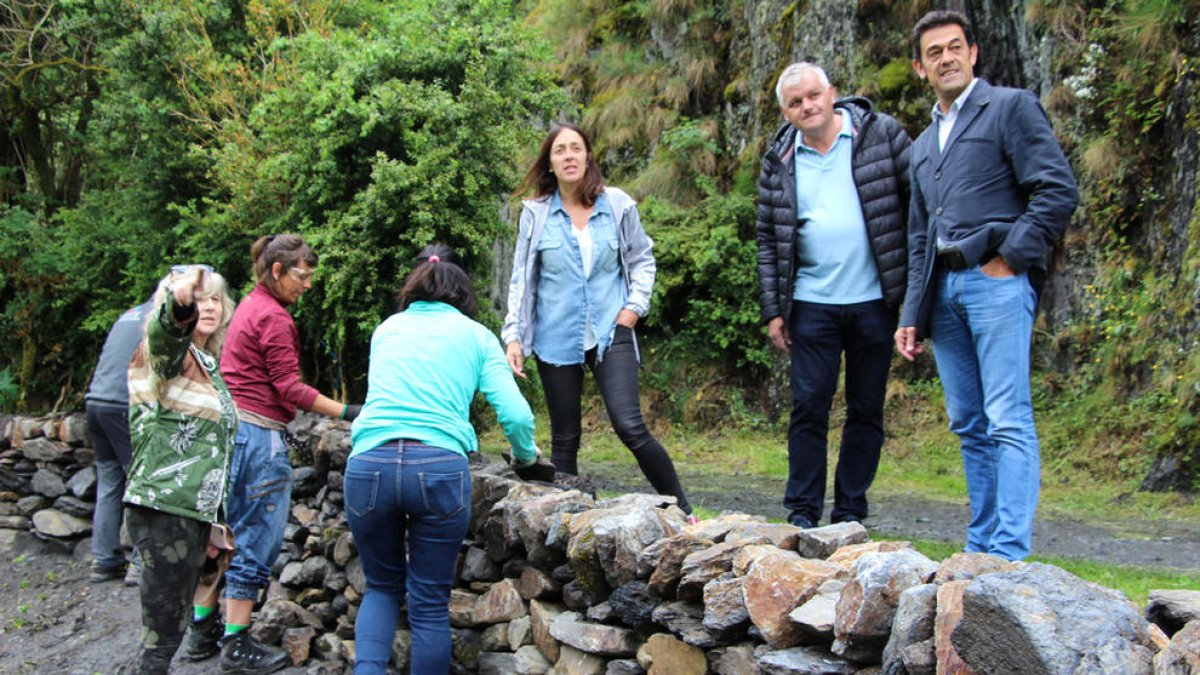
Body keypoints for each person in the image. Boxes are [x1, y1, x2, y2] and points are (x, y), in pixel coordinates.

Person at [895, 10, 1079, 561]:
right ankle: (980, 548)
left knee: (1007, 417)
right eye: (934, 52)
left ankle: (1008, 554)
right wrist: (911, 312)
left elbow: (1056, 189)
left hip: (995, 283)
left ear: (973, 53)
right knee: (970, 423)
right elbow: (918, 235)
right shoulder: (922, 145)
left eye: (955, 47)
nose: (946, 57)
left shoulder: (1009, 107)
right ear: (919, 67)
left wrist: (1011, 259)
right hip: (944, 297)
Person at [347, 244, 540, 674]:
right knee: (429, 603)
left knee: (380, 588)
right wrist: (527, 459)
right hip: (437, 467)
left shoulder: (388, 329)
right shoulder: (476, 336)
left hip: (369, 465)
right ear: (463, 291)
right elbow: (516, 414)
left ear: (415, 283)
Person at [183, 234, 359, 672]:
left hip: (230, 431)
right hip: (258, 437)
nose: (308, 285)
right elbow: (289, 388)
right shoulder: (274, 317)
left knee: (221, 534)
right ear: (277, 271)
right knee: (255, 536)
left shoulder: (248, 305)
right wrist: (351, 411)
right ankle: (237, 643)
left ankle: (202, 629)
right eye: (301, 276)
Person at [503, 122, 696, 521]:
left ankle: (686, 513)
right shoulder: (535, 215)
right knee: (564, 439)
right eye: (560, 151)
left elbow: (643, 259)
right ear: (550, 164)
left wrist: (633, 310)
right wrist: (514, 337)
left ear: (588, 156)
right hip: (555, 336)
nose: (569, 156)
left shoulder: (618, 204)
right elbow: (522, 279)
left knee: (630, 426)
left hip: (613, 331)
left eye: (576, 148)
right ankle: (566, 528)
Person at [756, 62, 912, 529]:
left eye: (813, 96)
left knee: (866, 409)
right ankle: (802, 513)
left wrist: (913, 298)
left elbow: (916, 207)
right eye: (795, 103)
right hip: (810, 303)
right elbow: (767, 238)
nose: (807, 106)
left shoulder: (881, 136)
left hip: (874, 302)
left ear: (832, 93)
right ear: (785, 112)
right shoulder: (778, 158)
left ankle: (850, 512)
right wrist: (772, 311)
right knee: (808, 408)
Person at [124, 264, 237, 674]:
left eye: (215, 299)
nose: (208, 307)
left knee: (166, 638)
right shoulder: (167, 353)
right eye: (199, 298)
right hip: (163, 509)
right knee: (161, 641)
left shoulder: (207, 363)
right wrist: (180, 302)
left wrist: (211, 523)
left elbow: (210, 451)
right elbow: (167, 333)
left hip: (189, 514)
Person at [84, 296, 152, 584]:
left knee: (110, 482)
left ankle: (104, 560)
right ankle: (139, 563)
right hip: (125, 404)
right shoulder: (165, 316)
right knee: (143, 481)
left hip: (97, 402)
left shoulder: (132, 312)